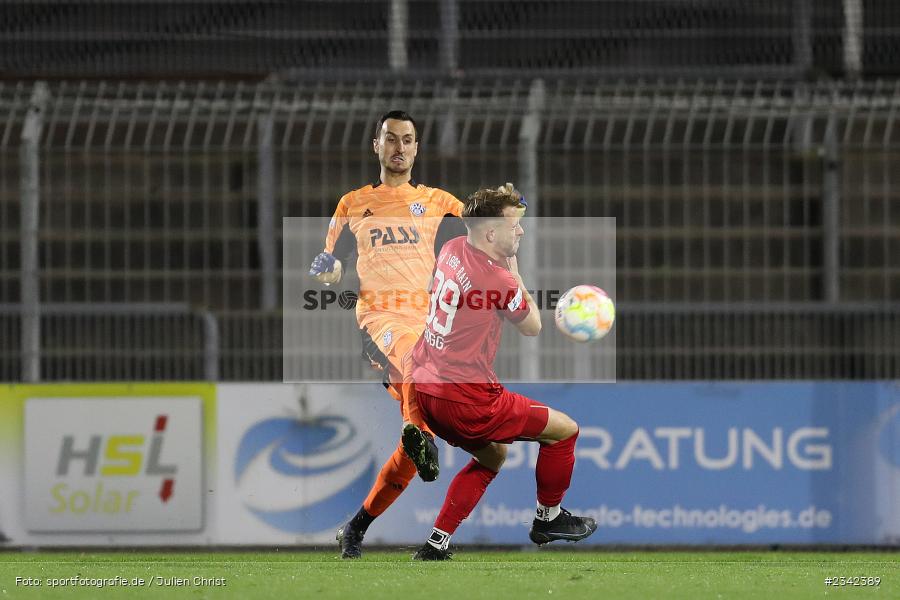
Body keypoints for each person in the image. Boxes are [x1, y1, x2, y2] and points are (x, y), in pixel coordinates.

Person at [408, 183, 597, 560]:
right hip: (469, 399)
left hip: (426, 389)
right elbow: (533, 327)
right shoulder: (497, 281)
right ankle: (549, 518)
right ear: (491, 232)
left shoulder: (451, 249)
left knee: (493, 457)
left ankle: (436, 543)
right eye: (514, 226)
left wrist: (506, 211)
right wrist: (514, 269)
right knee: (564, 432)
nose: (521, 231)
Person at [309, 110, 464, 559]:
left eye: (408, 140)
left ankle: (355, 528)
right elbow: (332, 266)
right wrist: (328, 271)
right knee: (422, 411)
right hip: (380, 322)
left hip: (430, 326)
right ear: (376, 145)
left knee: (413, 448)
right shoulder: (352, 203)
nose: (400, 148)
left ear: (417, 148)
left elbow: (483, 222)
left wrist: (507, 209)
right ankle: (423, 435)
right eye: (391, 139)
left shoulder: (438, 202)